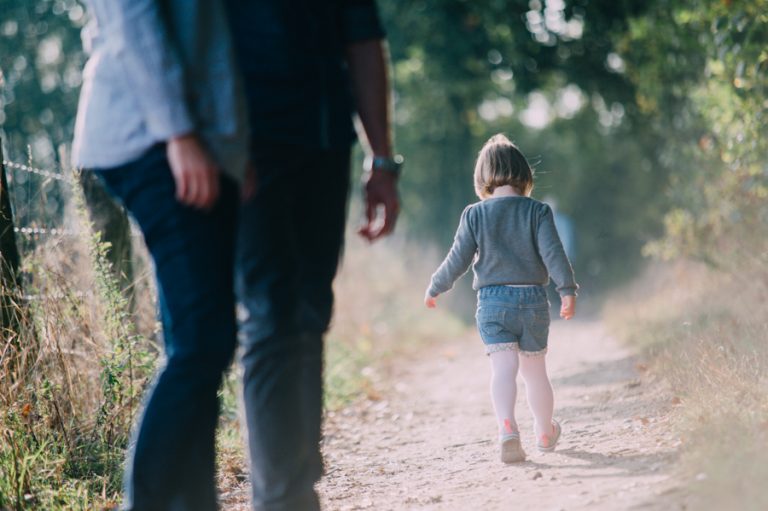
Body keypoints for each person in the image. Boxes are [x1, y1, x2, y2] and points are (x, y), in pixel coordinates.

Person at [72, 1, 249, 508]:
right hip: (151, 138)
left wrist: (233, 147)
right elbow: (133, 21)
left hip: (184, 139)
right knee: (202, 341)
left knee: (199, 339)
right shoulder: (170, 136)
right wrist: (180, 132)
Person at [224, 1, 400, 509]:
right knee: (269, 311)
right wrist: (219, 139)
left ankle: (299, 482)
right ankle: (281, 495)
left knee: (310, 309)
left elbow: (363, 40)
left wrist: (382, 160)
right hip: (246, 143)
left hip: (324, 140)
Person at [424, 134, 578, 464]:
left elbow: (458, 258)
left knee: (503, 369)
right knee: (535, 373)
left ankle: (507, 429)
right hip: (533, 300)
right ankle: (544, 431)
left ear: (482, 177)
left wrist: (436, 286)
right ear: (525, 175)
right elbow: (554, 253)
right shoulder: (538, 211)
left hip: (492, 304)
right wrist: (566, 290)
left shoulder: (474, 214)